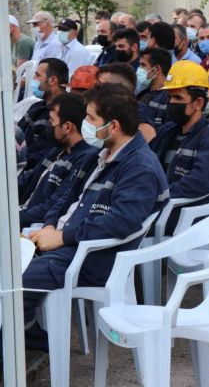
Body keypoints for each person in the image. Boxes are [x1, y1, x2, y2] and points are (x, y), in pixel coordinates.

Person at [22, 84, 169, 355]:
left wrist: (62, 237)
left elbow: (121, 222)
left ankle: (33, 344)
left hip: (90, 257)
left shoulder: (140, 168)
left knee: (14, 284)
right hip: (64, 243)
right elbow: (63, 198)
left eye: (91, 118)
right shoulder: (98, 154)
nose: (85, 124)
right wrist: (50, 226)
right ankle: (27, 338)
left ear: (113, 126)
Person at [150, 60, 209, 232]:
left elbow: (200, 183)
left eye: (178, 98)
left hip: (180, 218)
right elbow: (147, 165)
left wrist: (159, 195)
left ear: (198, 103)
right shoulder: (167, 131)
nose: (171, 103)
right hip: (154, 208)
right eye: (170, 97)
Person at [18, 93, 97, 228]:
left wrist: (14, 218)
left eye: (52, 120)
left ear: (67, 127)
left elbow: (52, 205)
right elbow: (28, 179)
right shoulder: (57, 150)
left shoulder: (84, 159)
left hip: (33, 226)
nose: (48, 125)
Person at [18, 58, 69, 170]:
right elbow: (16, 135)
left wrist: (15, 159)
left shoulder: (62, 114)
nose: (34, 79)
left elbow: (39, 154)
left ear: (52, 80)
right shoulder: (37, 107)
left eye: (37, 75)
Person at [97, 62, 157, 141]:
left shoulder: (138, 113)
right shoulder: (105, 109)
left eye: (101, 84)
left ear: (118, 88)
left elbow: (146, 143)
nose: (95, 88)